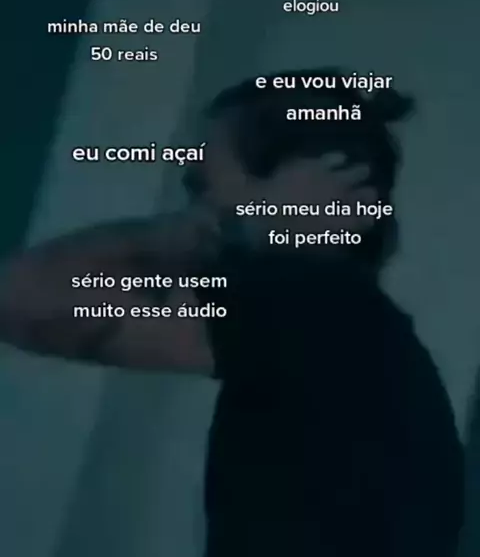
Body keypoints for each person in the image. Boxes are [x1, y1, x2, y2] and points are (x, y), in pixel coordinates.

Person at [0, 69, 464, 556]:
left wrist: (226, 226)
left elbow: (19, 297)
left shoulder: (307, 302)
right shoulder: (358, 331)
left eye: (202, 187)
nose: (195, 209)